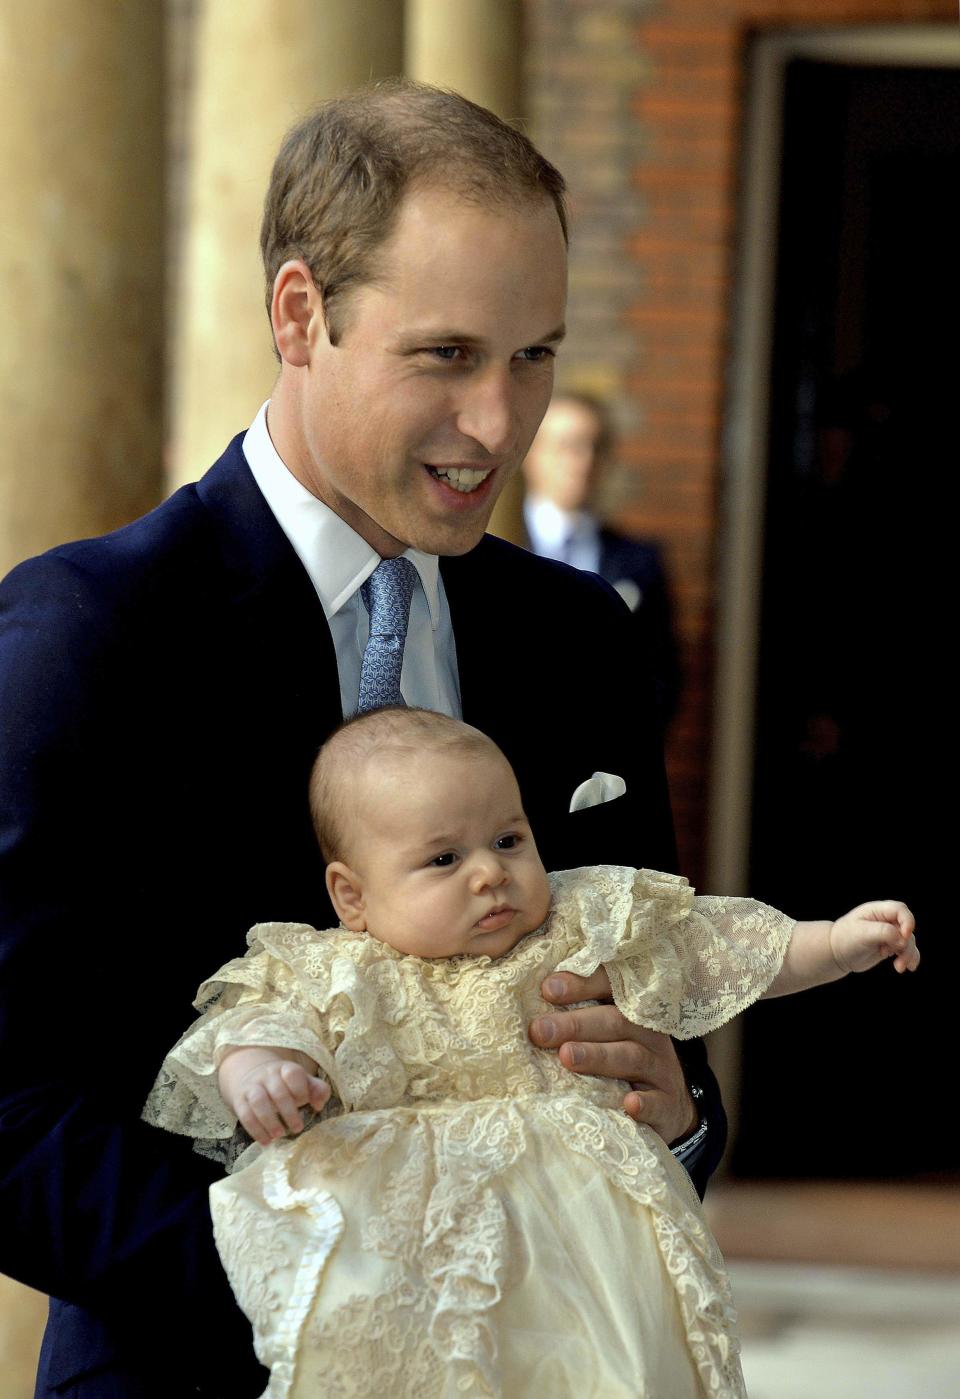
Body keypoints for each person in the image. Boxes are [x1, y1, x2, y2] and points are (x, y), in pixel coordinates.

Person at [0, 81, 718, 1398]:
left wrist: (673, 1117)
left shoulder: (581, 638)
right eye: (446, 354)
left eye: (535, 354)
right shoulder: (82, 633)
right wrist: (351, 1292)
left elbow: (656, 1024)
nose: (500, 423)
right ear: (299, 314)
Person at [144, 707, 918, 1399]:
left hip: (592, 1248)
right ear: (352, 897)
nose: (491, 872)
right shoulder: (341, 968)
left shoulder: (580, 922)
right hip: (421, 1258)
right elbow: (254, 1020)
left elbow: (717, 944)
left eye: (509, 838)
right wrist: (264, 1071)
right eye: (444, 859)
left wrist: (834, 943)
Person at [522, 391, 682, 727]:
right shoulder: (483, 546)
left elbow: (662, 673)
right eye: (568, 446)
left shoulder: (639, 560)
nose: (583, 461)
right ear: (530, 453)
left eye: (596, 447)